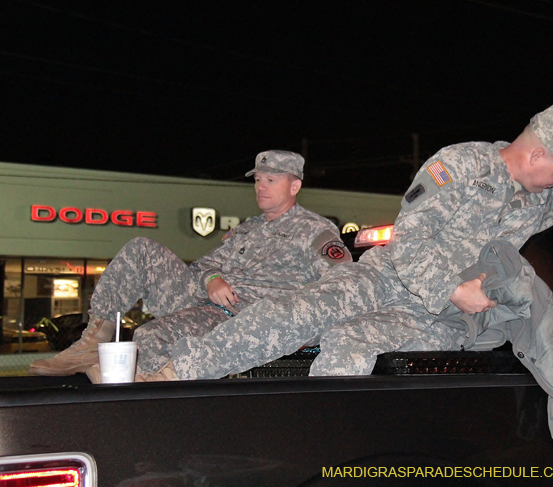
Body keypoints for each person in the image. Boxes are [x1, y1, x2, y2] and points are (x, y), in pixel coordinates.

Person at [139, 103, 553, 382]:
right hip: (391, 278)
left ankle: (327, 451)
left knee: (350, 348)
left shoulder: (540, 199)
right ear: (537, 153)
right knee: (288, 314)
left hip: (436, 318)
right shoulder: (461, 164)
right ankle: (172, 377)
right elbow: (414, 234)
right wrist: (453, 288)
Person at [29, 150, 350, 378]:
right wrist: (211, 279)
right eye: (258, 180)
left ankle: (143, 405)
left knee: (148, 337)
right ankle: (93, 339)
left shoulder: (315, 230)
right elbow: (201, 268)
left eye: (271, 180)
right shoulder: (247, 229)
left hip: (246, 318)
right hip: (207, 299)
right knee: (142, 248)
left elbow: (338, 286)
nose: (261, 187)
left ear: (294, 187)